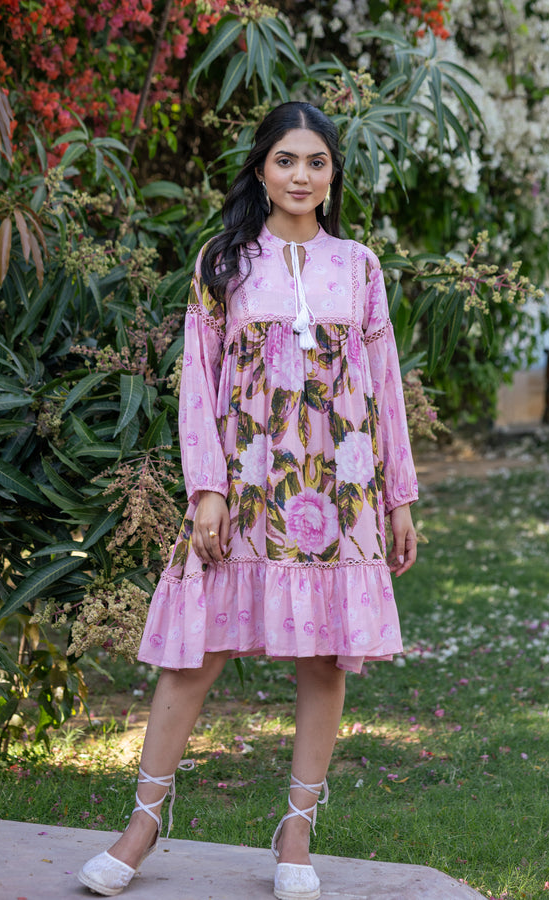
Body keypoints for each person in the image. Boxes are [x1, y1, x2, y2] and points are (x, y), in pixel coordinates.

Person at [78, 101, 418, 900]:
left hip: (340, 489)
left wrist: (399, 496)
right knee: (195, 651)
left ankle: (295, 834)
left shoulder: (359, 267)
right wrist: (206, 488)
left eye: (316, 162)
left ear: (333, 176)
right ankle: (142, 825)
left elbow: (385, 387)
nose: (301, 175)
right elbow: (197, 383)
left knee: (324, 658)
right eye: (286, 160)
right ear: (262, 170)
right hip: (244, 484)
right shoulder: (223, 261)